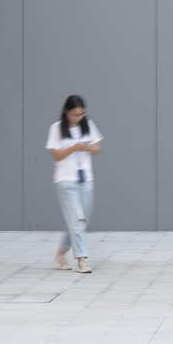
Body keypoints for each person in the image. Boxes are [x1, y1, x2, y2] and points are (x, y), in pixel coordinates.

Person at [47, 95, 102, 273]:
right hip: (65, 180)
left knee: (81, 221)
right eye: (75, 114)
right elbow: (56, 155)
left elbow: (97, 148)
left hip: (85, 180)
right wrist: (73, 148)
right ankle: (82, 260)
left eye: (81, 114)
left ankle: (60, 254)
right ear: (66, 112)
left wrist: (87, 147)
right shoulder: (56, 129)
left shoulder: (89, 126)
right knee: (77, 221)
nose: (79, 118)